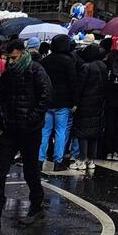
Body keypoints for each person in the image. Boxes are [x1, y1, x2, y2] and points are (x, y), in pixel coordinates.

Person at [0, 37, 52, 234]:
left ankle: (37, 204)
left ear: (22, 54)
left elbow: (45, 97)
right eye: (8, 58)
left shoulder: (36, 70)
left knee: (30, 170)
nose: (10, 61)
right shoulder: (9, 74)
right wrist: (3, 118)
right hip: (11, 129)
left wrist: (31, 119)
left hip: (29, 130)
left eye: (13, 57)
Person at [40, 34, 79, 171]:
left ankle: (39, 159)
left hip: (47, 102)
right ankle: (58, 161)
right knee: (60, 132)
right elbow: (73, 83)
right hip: (63, 102)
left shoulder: (45, 61)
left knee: (45, 131)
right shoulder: (69, 61)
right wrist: (75, 101)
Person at [74, 42, 106, 171]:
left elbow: (79, 87)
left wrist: (75, 102)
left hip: (85, 103)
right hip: (99, 103)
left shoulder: (85, 67)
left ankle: (82, 159)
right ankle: (91, 160)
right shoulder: (103, 66)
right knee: (94, 132)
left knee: (83, 132)